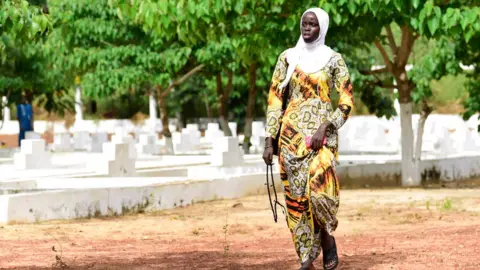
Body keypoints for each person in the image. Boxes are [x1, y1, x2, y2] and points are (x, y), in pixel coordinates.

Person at [262, 7, 354, 270]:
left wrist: (327, 125)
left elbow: (346, 99)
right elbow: (274, 100)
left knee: (320, 192)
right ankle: (306, 256)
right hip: (290, 142)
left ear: (321, 28)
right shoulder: (288, 58)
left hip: (321, 140)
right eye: (304, 23)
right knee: (297, 198)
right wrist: (270, 140)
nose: (307, 28)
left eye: (312, 24)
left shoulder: (333, 59)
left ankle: (326, 239)